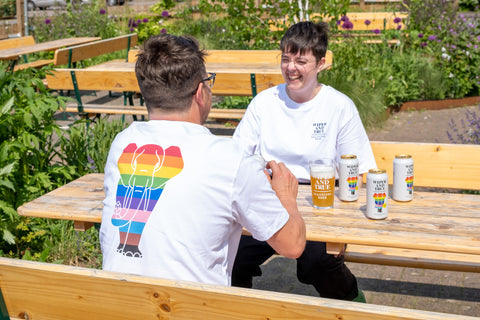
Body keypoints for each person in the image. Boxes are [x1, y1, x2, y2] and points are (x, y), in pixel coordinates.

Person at [99, 33, 306, 287]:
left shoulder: (123, 143)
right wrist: (286, 197)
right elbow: (293, 245)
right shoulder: (230, 158)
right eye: (208, 81)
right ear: (200, 92)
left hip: (115, 303)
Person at [231, 21, 376, 302]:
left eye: (301, 60)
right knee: (233, 255)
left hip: (321, 198)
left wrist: (343, 218)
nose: (291, 67)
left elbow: (355, 169)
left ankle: (353, 302)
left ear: (321, 63)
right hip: (268, 193)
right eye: (286, 59)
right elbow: (237, 154)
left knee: (316, 262)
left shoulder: (339, 106)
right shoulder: (264, 103)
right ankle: (237, 306)